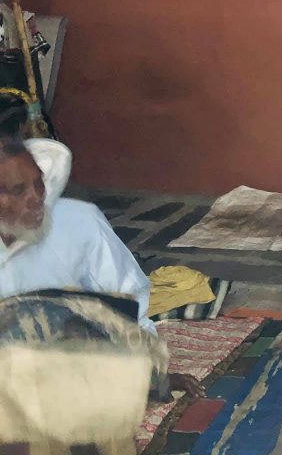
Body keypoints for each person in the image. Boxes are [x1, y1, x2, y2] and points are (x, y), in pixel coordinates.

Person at [0, 136, 201, 397]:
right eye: (18, 191)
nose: (37, 197)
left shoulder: (79, 222)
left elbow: (128, 304)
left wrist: (148, 374)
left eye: (39, 182)